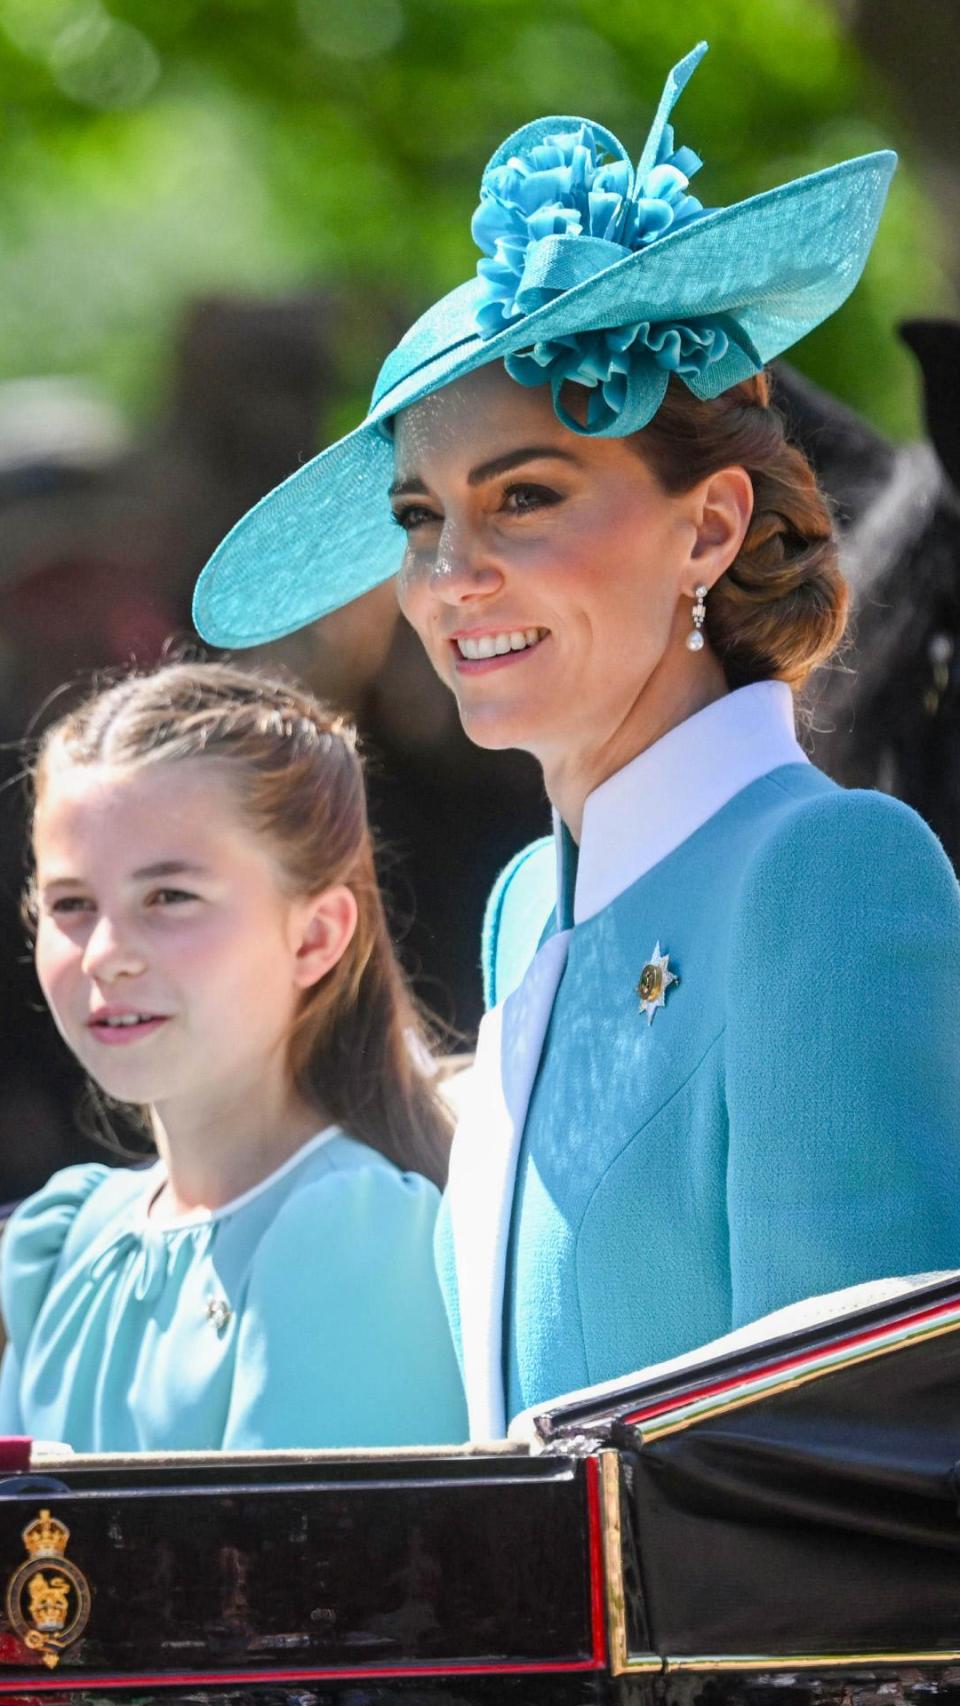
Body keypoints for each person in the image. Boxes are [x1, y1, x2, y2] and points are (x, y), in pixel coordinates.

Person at [192, 42, 960, 1439]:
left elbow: (856, 1483)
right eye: (420, 517)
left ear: (711, 526)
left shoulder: (830, 869)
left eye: (525, 495)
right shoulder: (528, 903)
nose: (449, 575)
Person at [0, 660, 467, 1451]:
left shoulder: (349, 1238)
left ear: (315, 936)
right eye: (71, 904)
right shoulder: (62, 1245)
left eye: (170, 897)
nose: (105, 955)